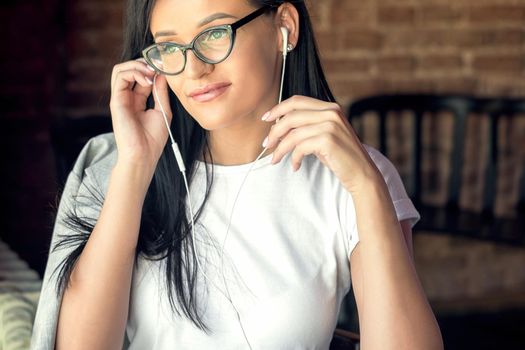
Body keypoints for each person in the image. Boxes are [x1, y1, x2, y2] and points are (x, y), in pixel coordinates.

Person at [31, 0, 444, 349]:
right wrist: (135, 166)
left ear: (285, 26)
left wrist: (366, 187)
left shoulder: (355, 179)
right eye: (169, 46)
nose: (192, 71)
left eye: (214, 34)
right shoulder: (118, 173)